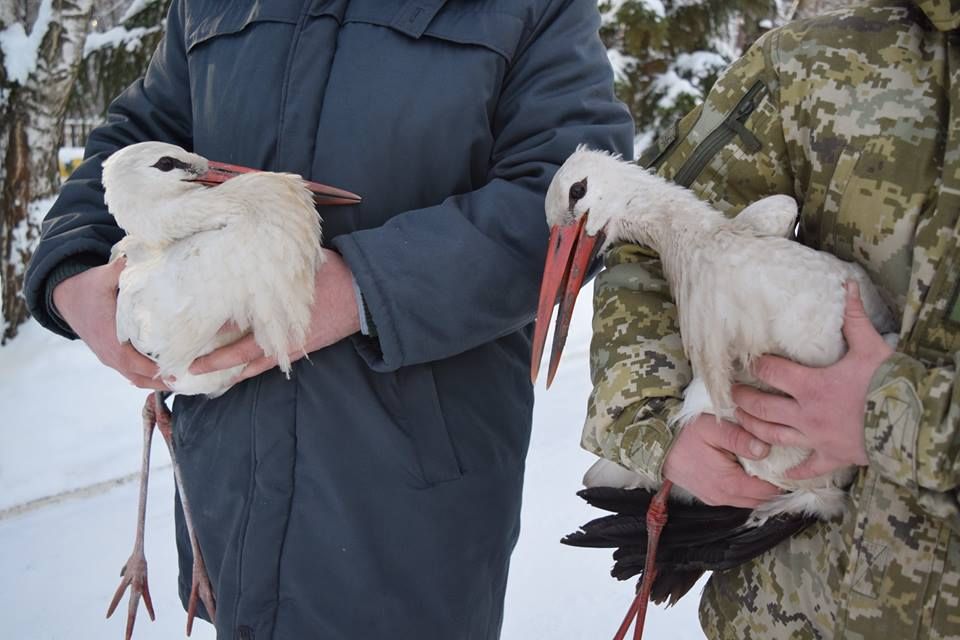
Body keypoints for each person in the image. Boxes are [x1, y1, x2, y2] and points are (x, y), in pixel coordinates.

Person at [23, 1, 633, 638]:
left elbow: (578, 194)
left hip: (410, 519)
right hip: (228, 501)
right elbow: (133, 145)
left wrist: (362, 286)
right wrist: (72, 270)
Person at [583, 2, 960, 638]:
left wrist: (899, 417)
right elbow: (641, 232)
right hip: (792, 610)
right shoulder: (809, 62)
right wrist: (658, 430)